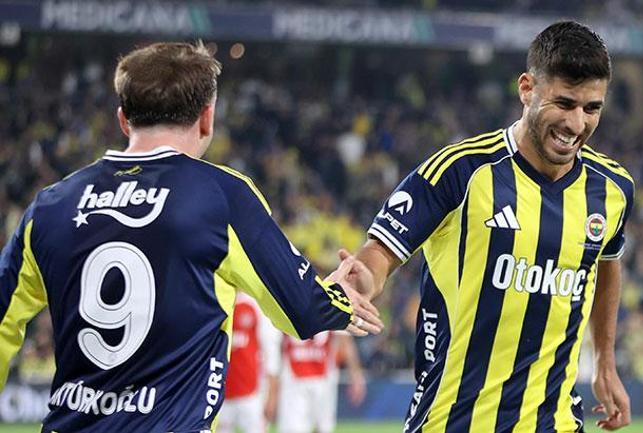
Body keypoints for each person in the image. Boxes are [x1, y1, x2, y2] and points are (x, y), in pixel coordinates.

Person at [0, 41, 382, 433]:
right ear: (207, 119)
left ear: (123, 120)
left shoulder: (49, 206)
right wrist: (339, 296)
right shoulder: (222, 196)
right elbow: (302, 310)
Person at [339, 20, 634, 432]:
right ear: (527, 89)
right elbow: (381, 252)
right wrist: (361, 280)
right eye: (564, 103)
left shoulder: (613, 189)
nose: (576, 124)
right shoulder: (460, 171)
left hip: (555, 422)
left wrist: (604, 360)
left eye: (591, 108)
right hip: (452, 421)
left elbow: (605, 263)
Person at [276, 330, 367, 433]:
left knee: (323, 427)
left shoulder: (334, 318)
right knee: (293, 428)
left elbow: (345, 341)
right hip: (293, 381)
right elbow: (274, 344)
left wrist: (356, 377)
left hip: (324, 380)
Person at [218, 293, 282, 433]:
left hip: (253, 394)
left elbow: (271, 351)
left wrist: (272, 393)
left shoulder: (256, 304)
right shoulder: (218, 301)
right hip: (220, 393)